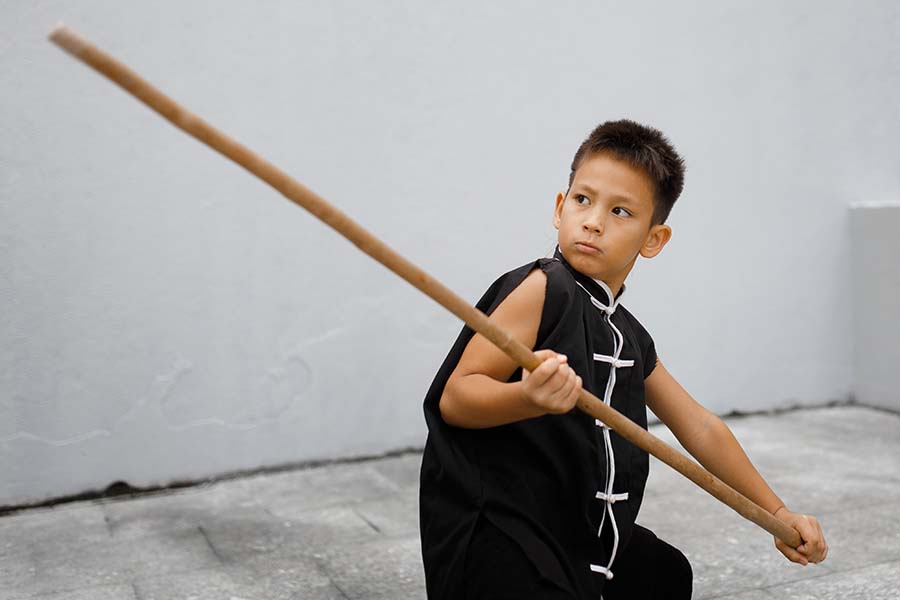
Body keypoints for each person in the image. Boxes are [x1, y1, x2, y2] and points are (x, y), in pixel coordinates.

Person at [418, 119, 828, 600]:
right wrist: (526, 397)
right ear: (559, 206)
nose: (593, 220)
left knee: (663, 574)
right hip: (502, 528)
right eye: (583, 200)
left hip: (571, 528)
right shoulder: (543, 288)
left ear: (653, 240)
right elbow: (457, 398)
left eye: (620, 211)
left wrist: (777, 514)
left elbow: (698, 425)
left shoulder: (628, 335)